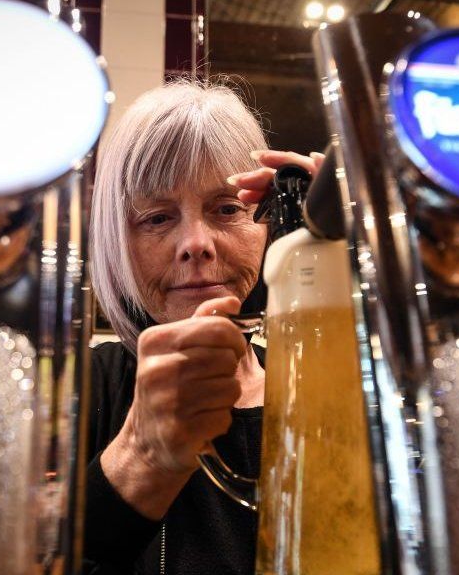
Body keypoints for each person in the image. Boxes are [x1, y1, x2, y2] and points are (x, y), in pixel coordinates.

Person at [84, 80, 321, 574]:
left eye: (227, 208)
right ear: (116, 241)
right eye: (155, 218)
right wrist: (143, 455)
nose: (196, 243)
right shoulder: (82, 390)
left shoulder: (324, 384)